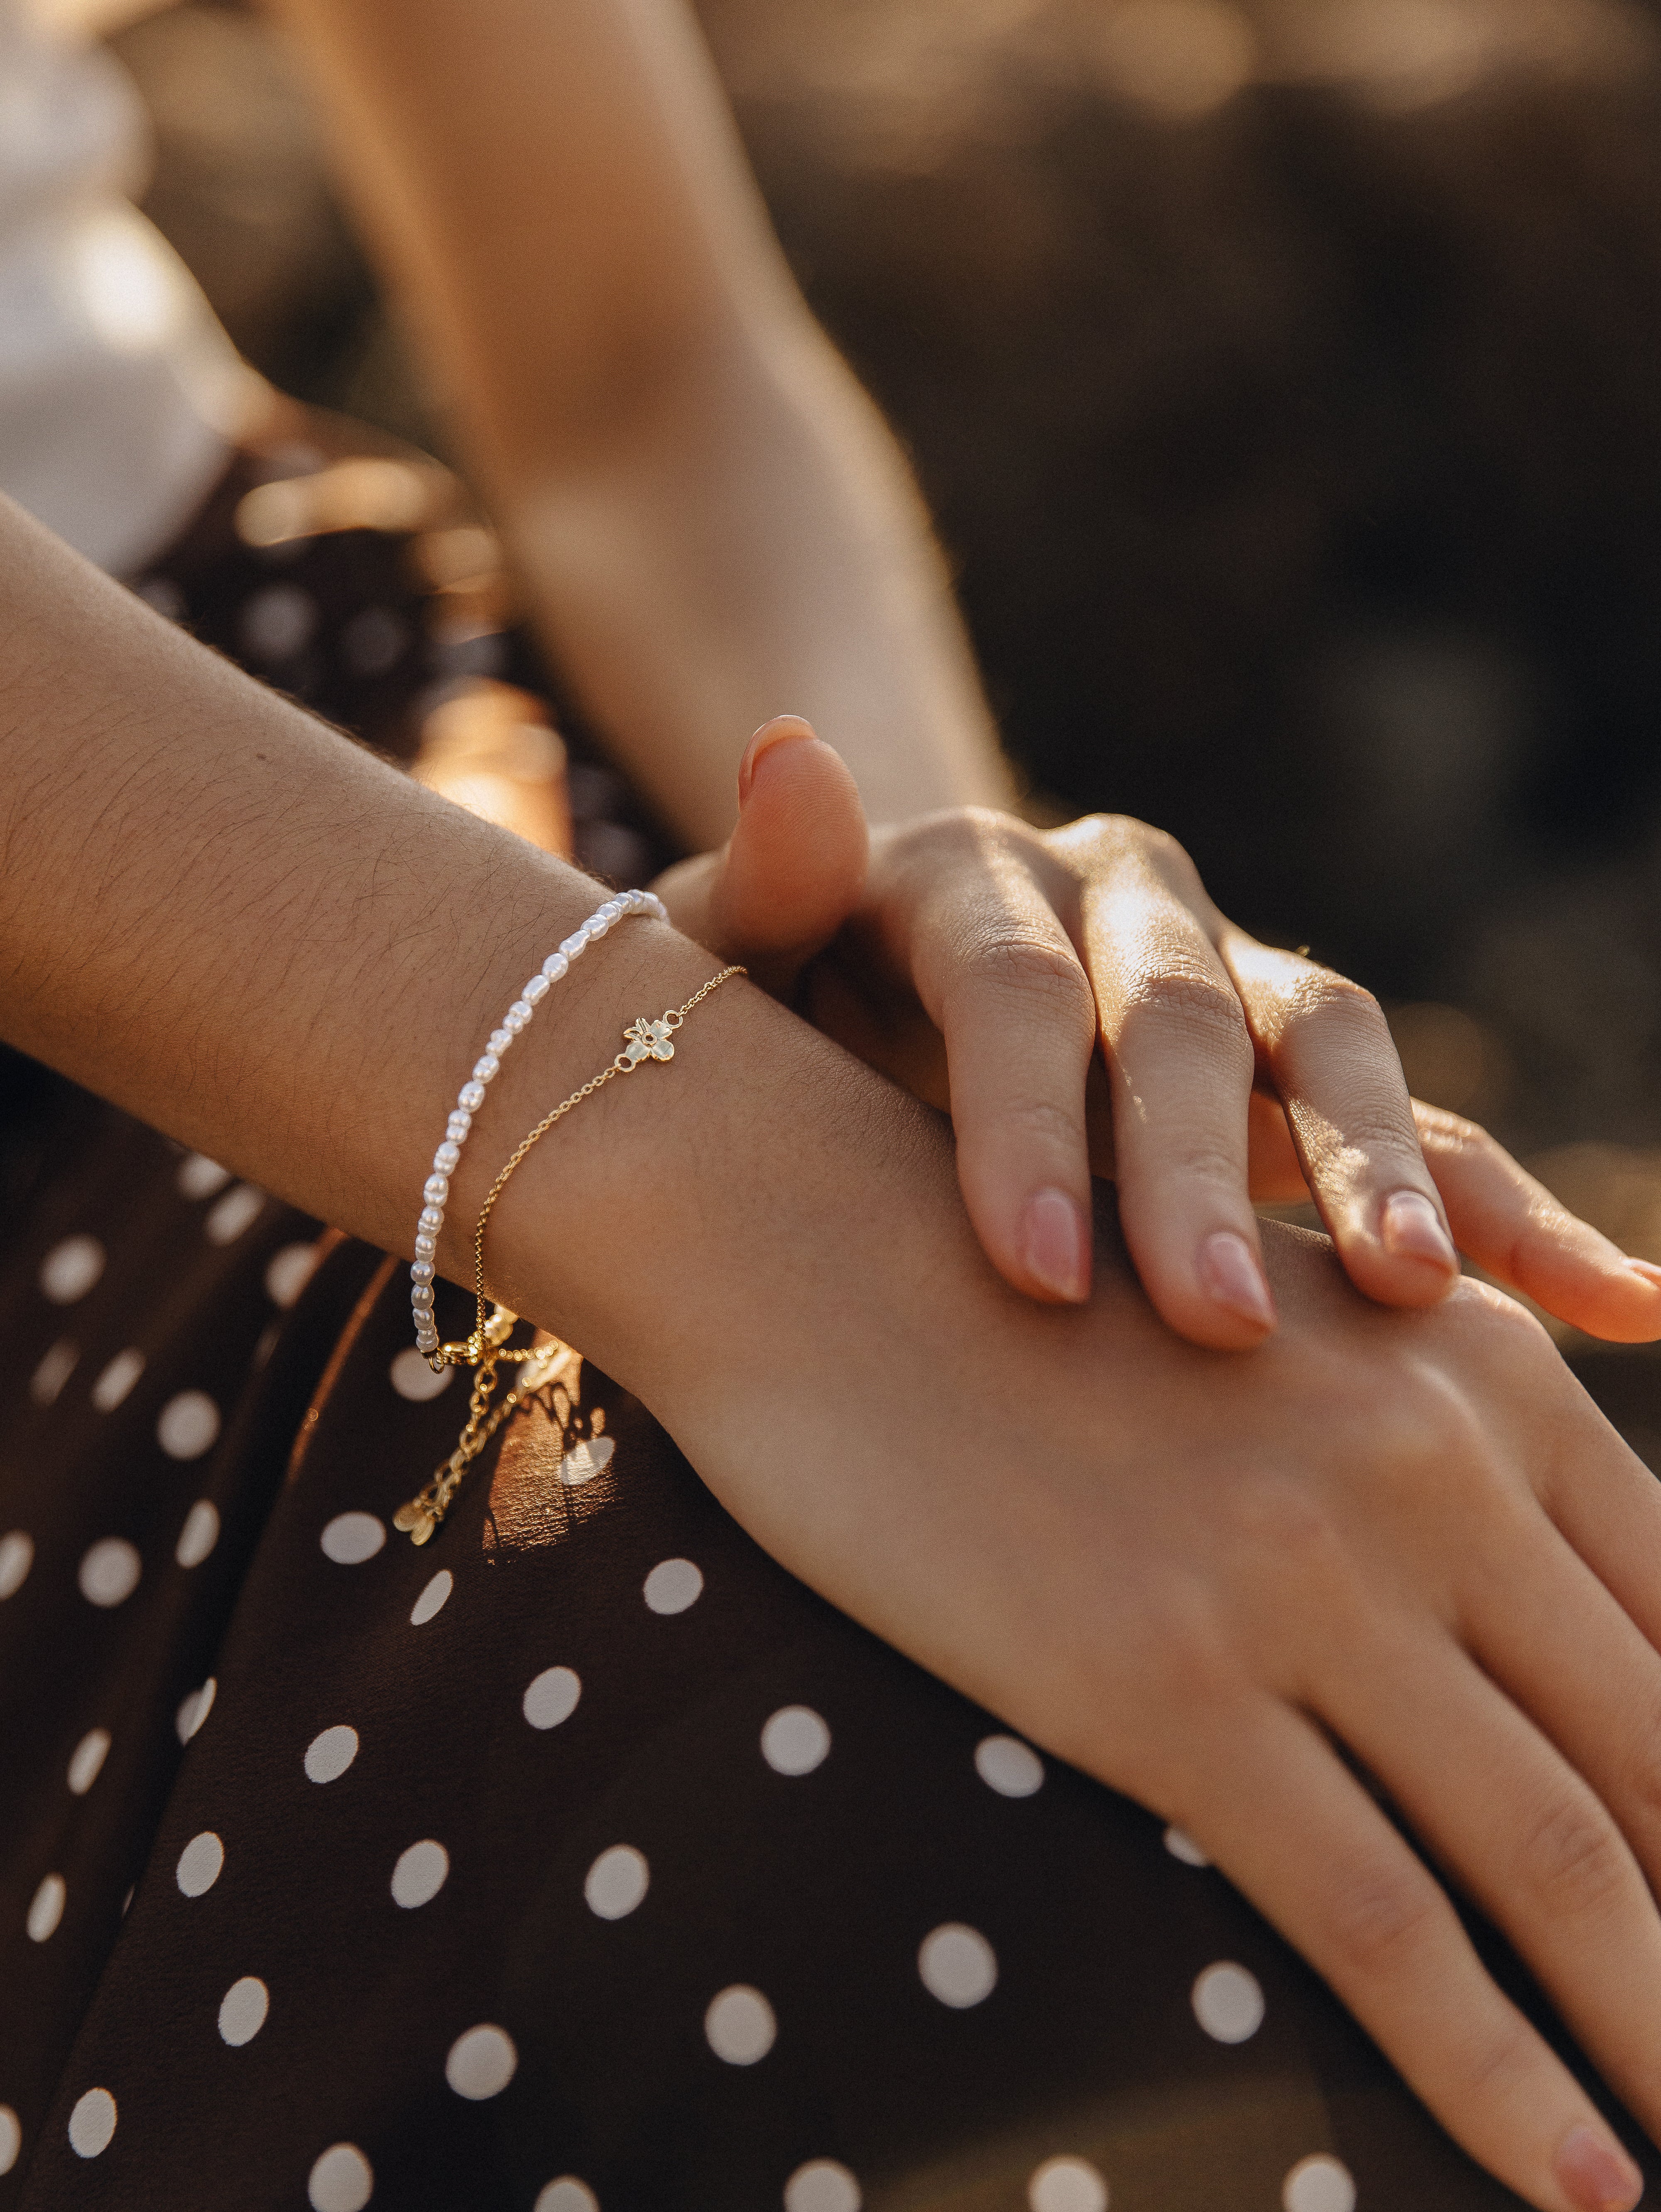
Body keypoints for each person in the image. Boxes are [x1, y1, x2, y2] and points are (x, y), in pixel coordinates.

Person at [1, 3, 1660, 2210]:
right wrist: (657, 1143)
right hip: (313, 967)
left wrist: (958, 941)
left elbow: (643, 374)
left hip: (258, 738)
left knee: (1179, 1672)